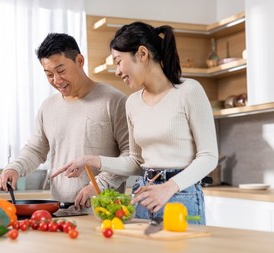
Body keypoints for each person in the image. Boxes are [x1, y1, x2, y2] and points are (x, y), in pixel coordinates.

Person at [52, 22, 218, 224]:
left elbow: (208, 157)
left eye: (119, 61)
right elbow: (135, 162)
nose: (117, 71)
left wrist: (169, 186)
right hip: (143, 195)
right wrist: (90, 160)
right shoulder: (132, 103)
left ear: (142, 53)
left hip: (182, 197)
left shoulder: (189, 91)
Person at [0, 33, 129, 210]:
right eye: (49, 74)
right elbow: (36, 149)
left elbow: (130, 155)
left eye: (61, 71)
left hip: (103, 212)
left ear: (80, 61)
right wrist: (14, 168)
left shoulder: (115, 101)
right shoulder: (48, 107)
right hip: (59, 211)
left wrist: (98, 185)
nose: (57, 80)